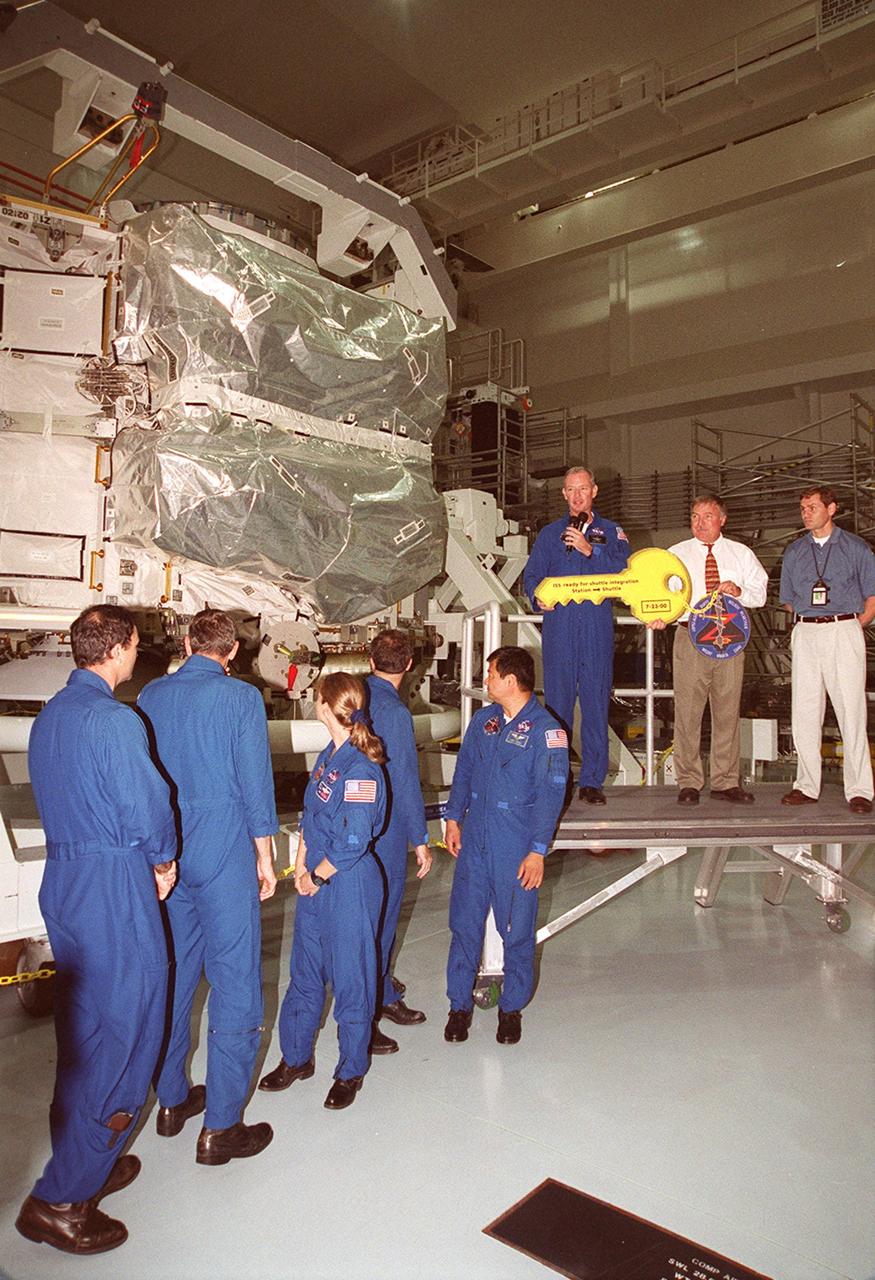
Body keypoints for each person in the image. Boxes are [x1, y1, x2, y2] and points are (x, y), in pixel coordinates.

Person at [16, 605, 176, 1255]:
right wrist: (162, 862)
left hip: (66, 883)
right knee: (131, 1033)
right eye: (136, 645)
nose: (137, 655)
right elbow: (148, 808)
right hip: (115, 887)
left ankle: (86, 1157)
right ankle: (61, 1199)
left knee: (84, 1034)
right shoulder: (116, 720)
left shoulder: (50, 717)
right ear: (117, 650)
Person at [137, 608, 277, 1166]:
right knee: (237, 980)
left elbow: (146, 779)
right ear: (232, 652)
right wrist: (265, 855)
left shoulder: (152, 697)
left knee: (175, 976)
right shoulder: (241, 700)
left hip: (171, 850)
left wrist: (156, 855)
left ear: (187, 642)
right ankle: (221, 1128)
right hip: (223, 848)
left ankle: (171, 1102)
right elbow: (255, 783)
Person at [259, 673, 387, 1110]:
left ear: (327, 707)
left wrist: (317, 875)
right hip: (315, 879)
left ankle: (350, 1070)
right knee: (305, 973)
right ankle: (296, 1057)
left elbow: (353, 842)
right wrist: (299, 866)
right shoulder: (328, 758)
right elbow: (311, 817)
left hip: (347, 882)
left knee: (352, 977)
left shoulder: (362, 766)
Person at [443, 646, 568, 1046]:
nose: (486, 680)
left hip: (514, 846)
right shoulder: (484, 722)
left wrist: (537, 850)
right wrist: (452, 817)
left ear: (510, 682)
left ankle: (510, 1009)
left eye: (490, 674)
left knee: (515, 930)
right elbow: (464, 771)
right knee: (463, 924)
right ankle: (458, 1006)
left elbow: (552, 794)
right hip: (475, 840)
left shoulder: (548, 732)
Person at [648, 494, 768, 806]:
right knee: (687, 712)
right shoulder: (675, 554)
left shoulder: (741, 554)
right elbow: (658, 593)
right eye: (695, 517)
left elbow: (761, 593)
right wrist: (659, 616)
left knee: (728, 711)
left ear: (722, 519)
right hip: (689, 638)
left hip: (730, 642)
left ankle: (726, 782)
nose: (700, 523)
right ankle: (688, 781)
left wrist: (738, 591)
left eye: (708, 516)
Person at [522, 466, 629, 803]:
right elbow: (533, 576)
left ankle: (592, 781)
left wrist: (589, 550)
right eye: (571, 490)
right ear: (563, 494)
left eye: (583, 488)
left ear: (594, 491)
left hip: (596, 628)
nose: (577, 495)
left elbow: (624, 573)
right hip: (560, 631)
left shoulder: (611, 531)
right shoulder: (549, 535)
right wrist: (536, 598)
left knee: (596, 705)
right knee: (557, 707)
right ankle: (558, 778)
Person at [779, 485, 875, 814]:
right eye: (803, 507)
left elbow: (872, 595)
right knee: (804, 711)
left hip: (844, 629)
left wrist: (849, 625)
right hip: (806, 632)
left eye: (813, 507)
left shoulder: (855, 547)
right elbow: (789, 600)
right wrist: (813, 625)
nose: (806, 513)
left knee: (851, 710)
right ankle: (806, 785)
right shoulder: (794, 552)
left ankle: (860, 790)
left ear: (831, 509)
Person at [367, 630, 432, 1053]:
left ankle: (382, 991)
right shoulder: (395, 713)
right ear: (409, 665)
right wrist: (421, 838)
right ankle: (369, 1011)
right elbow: (406, 780)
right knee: (381, 920)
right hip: (385, 828)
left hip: (352, 825)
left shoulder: (352, 698)